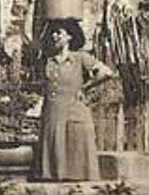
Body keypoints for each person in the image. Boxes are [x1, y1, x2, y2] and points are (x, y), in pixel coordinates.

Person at [33, 18, 116, 182]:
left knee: (75, 146)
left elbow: (107, 72)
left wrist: (85, 87)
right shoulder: (48, 61)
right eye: (53, 33)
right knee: (53, 147)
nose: (54, 36)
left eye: (59, 33)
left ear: (70, 37)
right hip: (52, 112)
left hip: (74, 109)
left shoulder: (80, 58)